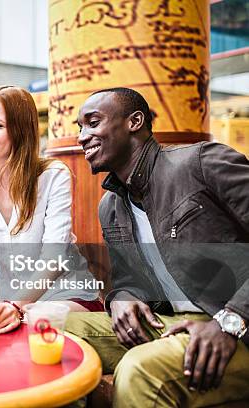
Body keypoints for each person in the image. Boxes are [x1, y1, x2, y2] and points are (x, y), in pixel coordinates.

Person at [67, 87, 249, 407]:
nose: (82, 136)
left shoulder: (203, 162)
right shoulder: (111, 206)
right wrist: (122, 297)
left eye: (93, 123)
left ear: (134, 121)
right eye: (80, 127)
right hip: (169, 323)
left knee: (140, 370)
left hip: (237, 325)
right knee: (55, 332)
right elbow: (128, 280)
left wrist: (230, 320)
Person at [0, 85, 100, 335]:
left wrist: (17, 305)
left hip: (63, 293)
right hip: (6, 297)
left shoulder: (53, 175)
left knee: (37, 321)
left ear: (21, 132)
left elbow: (54, 254)